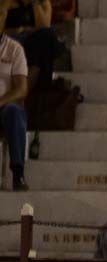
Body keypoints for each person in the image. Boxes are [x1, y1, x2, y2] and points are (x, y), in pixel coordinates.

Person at [0, 11, 29, 190]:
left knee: (14, 111)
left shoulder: (14, 49)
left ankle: (18, 173)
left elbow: (22, 89)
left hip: (3, 107)